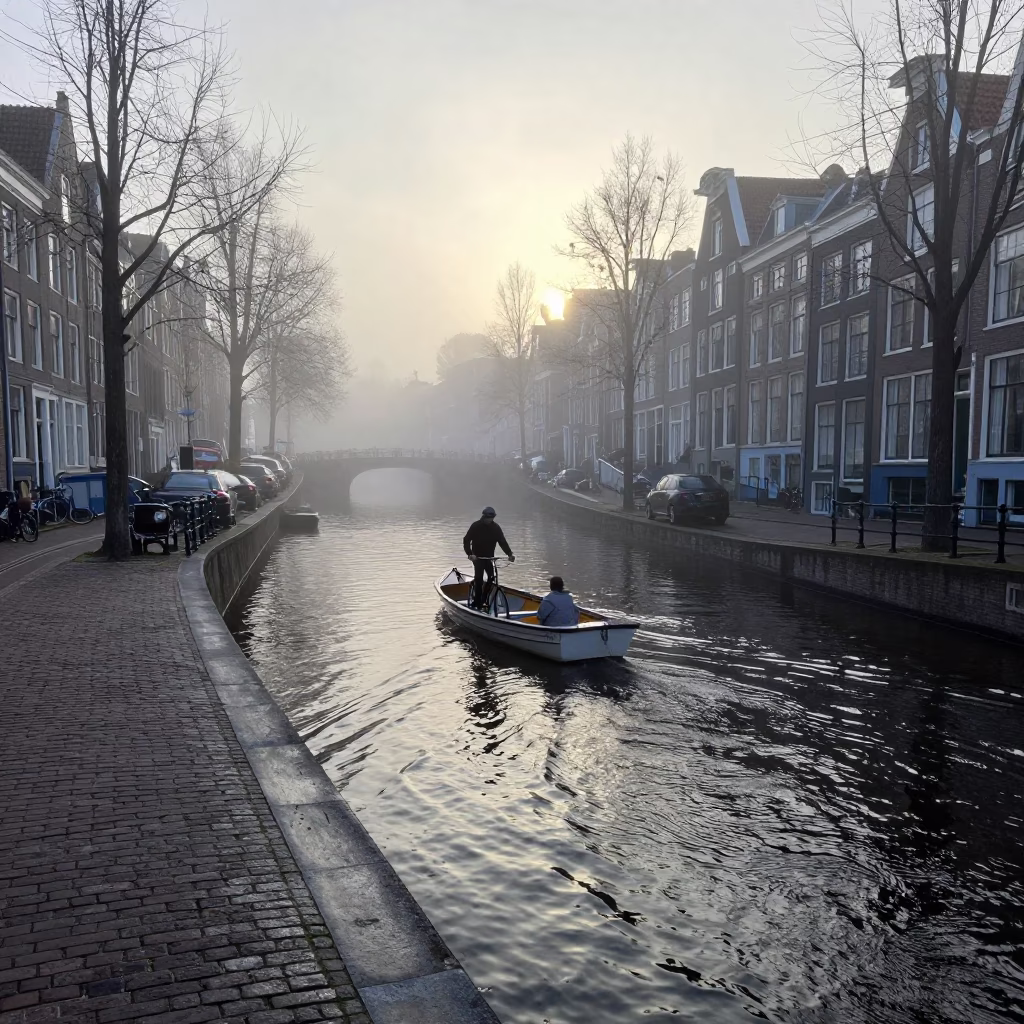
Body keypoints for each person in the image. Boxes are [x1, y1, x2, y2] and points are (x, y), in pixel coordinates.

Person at [463, 506, 514, 609]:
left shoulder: (496, 528)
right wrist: (470, 554)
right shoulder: (476, 526)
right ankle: (477, 602)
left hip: (489, 557)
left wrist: (509, 554)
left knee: (492, 577)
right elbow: (466, 540)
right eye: (487, 518)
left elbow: (502, 542)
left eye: (491, 518)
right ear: (483, 517)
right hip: (477, 558)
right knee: (479, 579)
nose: (489, 520)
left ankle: (484, 598)